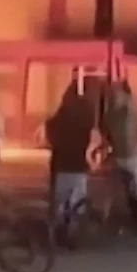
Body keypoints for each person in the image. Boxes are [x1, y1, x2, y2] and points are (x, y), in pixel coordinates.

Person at [103, 82, 137, 244]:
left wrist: (109, 146)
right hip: (132, 157)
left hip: (117, 156)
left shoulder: (111, 113)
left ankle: (105, 218)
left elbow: (106, 129)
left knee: (111, 190)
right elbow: (136, 132)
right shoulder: (130, 111)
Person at [45, 85, 94, 241]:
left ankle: (58, 231)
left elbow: (51, 135)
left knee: (60, 199)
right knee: (77, 200)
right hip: (78, 164)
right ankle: (72, 230)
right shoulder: (84, 119)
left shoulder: (58, 120)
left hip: (61, 165)